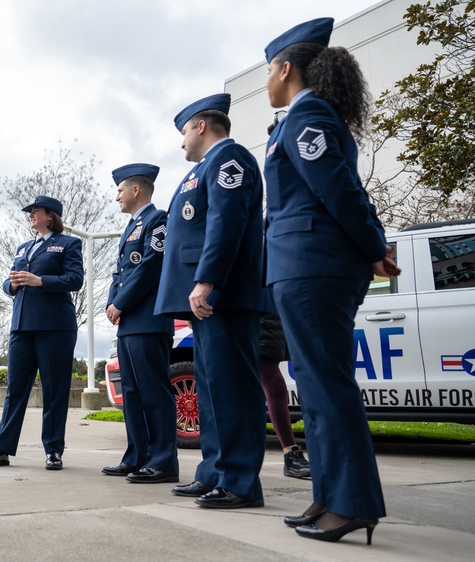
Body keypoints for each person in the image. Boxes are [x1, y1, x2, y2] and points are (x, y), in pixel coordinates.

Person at [262, 17, 400, 544]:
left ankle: (353, 504)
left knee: (328, 386)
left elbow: (339, 190)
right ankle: (328, 495)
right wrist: (373, 246)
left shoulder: (308, 114)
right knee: (316, 389)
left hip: (315, 265)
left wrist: (373, 248)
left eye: (270, 72)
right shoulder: (300, 118)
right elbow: (346, 190)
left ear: (286, 68)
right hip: (304, 265)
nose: (268, 82)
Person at [155, 93, 267, 509]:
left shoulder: (230, 159)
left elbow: (226, 222)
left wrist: (207, 280)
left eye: (184, 131)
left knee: (233, 388)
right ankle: (213, 472)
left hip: (225, 295)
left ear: (201, 126)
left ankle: (239, 482)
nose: (181, 141)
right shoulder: (204, 168)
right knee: (211, 388)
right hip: (207, 299)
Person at [0, 196, 84, 471]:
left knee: (55, 390)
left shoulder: (68, 243)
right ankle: (2, 449)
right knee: (15, 390)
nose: (31, 215)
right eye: (30, 212)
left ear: (50, 216)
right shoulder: (23, 247)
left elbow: (76, 279)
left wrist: (41, 281)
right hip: (21, 326)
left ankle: (53, 451)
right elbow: (9, 280)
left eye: (35, 211)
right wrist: (10, 285)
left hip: (55, 326)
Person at [101, 164, 178, 484]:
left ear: (136, 190)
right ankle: (137, 456)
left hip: (148, 319)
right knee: (132, 392)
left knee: (154, 391)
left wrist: (121, 302)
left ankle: (162, 462)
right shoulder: (132, 226)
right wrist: (110, 302)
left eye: (120, 190)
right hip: (130, 323)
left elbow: (151, 265)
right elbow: (121, 273)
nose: (116, 195)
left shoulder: (156, 220)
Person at [259, 312, 310, 479]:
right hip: (257, 317)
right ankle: (290, 453)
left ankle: (290, 453)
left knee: (275, 387)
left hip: (271, 320)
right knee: (274, 386)